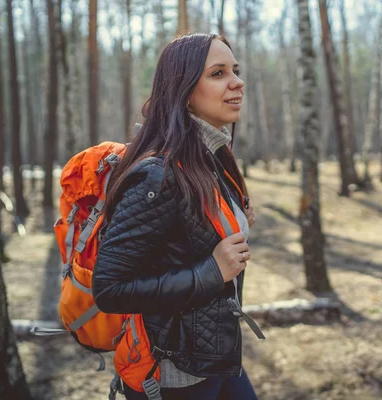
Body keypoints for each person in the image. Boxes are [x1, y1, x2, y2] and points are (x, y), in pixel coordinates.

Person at [92, 33, 262, 400]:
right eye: (218, 73)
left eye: (235, 70)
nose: (237, 81)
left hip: (212, 356)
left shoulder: (207, 159)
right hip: (174, 378)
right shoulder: (159, 175)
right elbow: (109, 289)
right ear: (184, 90)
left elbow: (186, 237)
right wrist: (210, 273)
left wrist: (237, 217)